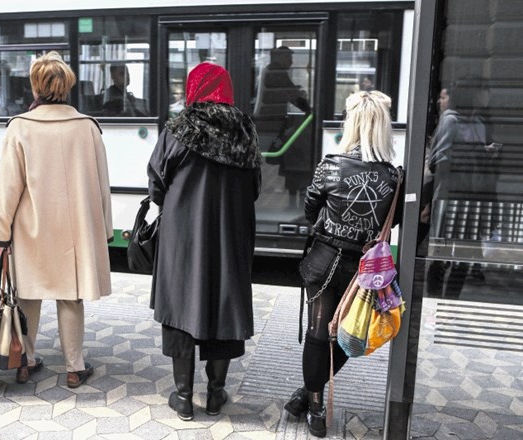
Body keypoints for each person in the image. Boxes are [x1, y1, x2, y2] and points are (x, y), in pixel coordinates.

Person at [0, 51, 113, 387]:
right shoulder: (87, 127)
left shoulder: (19, 128)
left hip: (31, 228)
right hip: (74, 232)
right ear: (67, 85)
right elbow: (102, 184)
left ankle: (25, 362)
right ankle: (74, 367)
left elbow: (7, 188)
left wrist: (0, 234)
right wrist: (104, 230)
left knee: (27, 294)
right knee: (70, 296)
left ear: (35, 87)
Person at [283, 91, 402, 437]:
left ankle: (314, 405)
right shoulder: (394, 177)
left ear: (353, 124)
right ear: (382, 128)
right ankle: (310, 394)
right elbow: (391, 223)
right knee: (352, 335)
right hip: (366, 271)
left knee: (318, 334)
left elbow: (309, 212)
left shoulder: (331, 166)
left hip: (324, 262)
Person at [148, 62, 262, 421]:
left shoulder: (179, 129)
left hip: (183, 237)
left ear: (194, 88)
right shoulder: (245, 131)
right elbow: (255, 187)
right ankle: (215, 394)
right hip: (230, 236)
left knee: (183, 305)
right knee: (222, 304)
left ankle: (183, 397)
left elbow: (156, 183)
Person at [423, 85, 500, 297]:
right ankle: (435, 301)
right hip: (451, 196)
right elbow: (437, 161)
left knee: (465, 258)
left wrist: (486, 155)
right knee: (442, 255)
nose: (487, 98)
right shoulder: (451, 120)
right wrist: (476, 153)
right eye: (484, 92)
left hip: (474, 199)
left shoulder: (479, 123)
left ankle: (450, 301)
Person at [254, 46, 312, 207]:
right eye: (289, 58)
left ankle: (294, 195)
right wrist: (308, 109)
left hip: (272, 120)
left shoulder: (271, 71)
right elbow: (291, 94)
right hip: (269, 122)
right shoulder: (276, 72)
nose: (291, 62)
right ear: (279, 58)